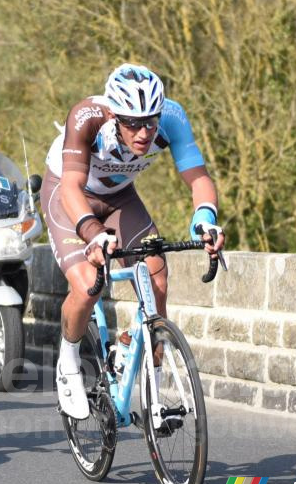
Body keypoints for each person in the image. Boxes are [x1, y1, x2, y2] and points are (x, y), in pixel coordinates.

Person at [43, 63, 225, 419]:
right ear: (113, 114)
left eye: (150, 122)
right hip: (69, 195)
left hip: (121, 199)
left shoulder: (172, 118)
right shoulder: (87, 117)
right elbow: (70, 189)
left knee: (157, 279)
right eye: (132, 123)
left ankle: (152, 391)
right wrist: (93, 235)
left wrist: (205, 218)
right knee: (88, 285)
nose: (143, 133)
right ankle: (68, 362)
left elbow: (198, 178)